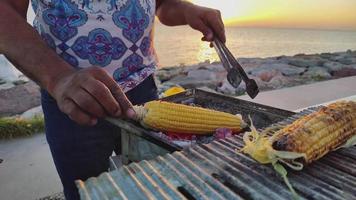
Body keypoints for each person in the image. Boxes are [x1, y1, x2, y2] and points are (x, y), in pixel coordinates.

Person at [0, 0, 226, 199]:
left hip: (143, 88)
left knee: (154, 185)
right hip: (74, 96)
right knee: (85, 192)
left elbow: (161, 4)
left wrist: (187, 9)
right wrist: (58, 77)